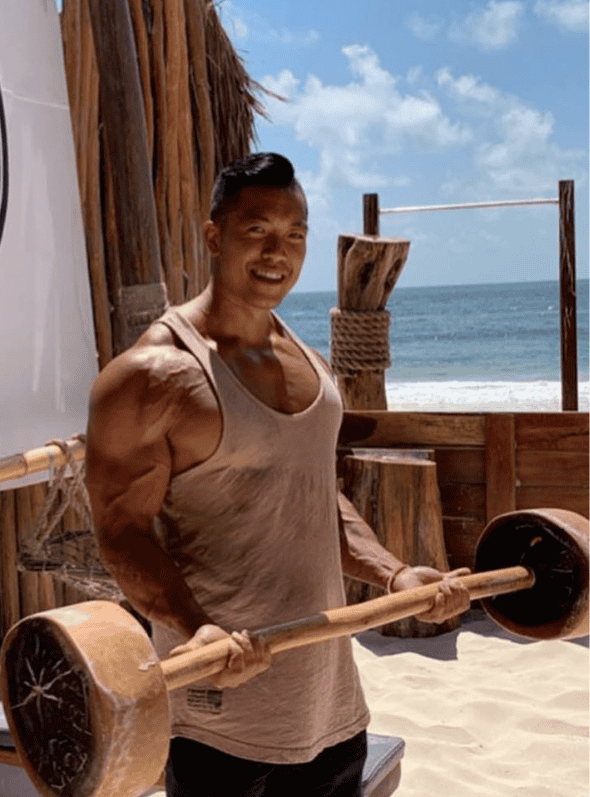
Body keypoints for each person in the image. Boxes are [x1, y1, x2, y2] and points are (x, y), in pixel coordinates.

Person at [85, 153, 470, 797]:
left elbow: (313, 494)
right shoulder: (150, 377)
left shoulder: (310, 362)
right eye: (257, 230)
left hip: (331, 708)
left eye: (294, 234)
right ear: (214, 236)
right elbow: (120, 533)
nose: (278, 252)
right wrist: (194, 624)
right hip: (220, 718)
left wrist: (394, 572)